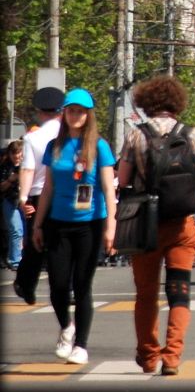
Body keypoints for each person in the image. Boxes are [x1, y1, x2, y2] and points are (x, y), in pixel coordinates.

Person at [116, 75, 195, 376]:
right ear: (177, 103)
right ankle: (172, 357)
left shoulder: (136, 135)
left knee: (146, 293)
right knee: (179, 291)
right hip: (181, 225)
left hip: (145, 224)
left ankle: (148, 355)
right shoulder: (191, 134)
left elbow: (122, 180)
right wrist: (190, 179)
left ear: (147, 104)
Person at [31, 87, 117, 366]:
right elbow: (47, 189)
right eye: (71, 110)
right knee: (57, 285)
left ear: (88, 115)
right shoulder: (54, 146)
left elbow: (107, 188)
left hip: (90, 224)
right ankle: (66, 326)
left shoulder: (99, 146)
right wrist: (38, 224)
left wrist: (111, 227)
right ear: (64, 113)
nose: (75, 115)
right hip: (58, 222)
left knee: (82, 285)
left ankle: (81, 345)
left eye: (80, 111)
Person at [13, 86, 64, 304]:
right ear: (62, 110)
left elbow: (27, 170)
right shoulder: (71, 135)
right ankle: (65, 288)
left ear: (40, 112)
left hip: (37, 197)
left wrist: (23, 199)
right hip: (64, 195)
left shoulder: (33, 138)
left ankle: (25, 283)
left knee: (36, 244)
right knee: (63, 243)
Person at [2, 139, 24, 270]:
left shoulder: (28, 166)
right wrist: (11, 179)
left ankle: (19, 258)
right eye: (13, 153)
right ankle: (15, 260)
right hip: (10, 201)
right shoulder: (5, 168)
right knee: (16, 230)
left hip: (26, 202)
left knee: (26, 232)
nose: (16, 156)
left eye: (19, 153)